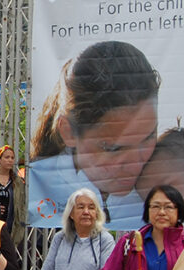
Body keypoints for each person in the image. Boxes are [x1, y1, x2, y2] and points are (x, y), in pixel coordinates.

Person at [29, 41, 159, 228]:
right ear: (68, 132)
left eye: (148, 137)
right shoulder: (36, 188)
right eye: (113, 148)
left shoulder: (167, 184)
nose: (135, 164)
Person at [0, 145, 27, 245]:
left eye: (12, 158)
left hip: (10, 225)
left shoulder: (17, 181)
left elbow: (21, 204)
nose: (10, 160)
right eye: (7, 157)